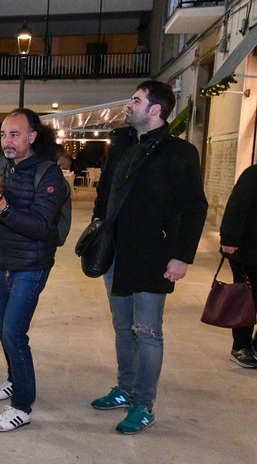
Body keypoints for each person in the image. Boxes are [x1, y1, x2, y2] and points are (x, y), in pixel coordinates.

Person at [90, 81, 208, 434]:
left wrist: (181, 257)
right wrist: (98, 226)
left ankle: (144, 403)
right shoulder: (123, 144)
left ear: (155, 109)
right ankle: (125, 389)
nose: (130, 105)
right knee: (122, 326)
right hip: (116, 253)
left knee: (148, 330)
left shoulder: (179, 153)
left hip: (154, 256)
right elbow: (105, 191)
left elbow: (194, 208)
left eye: (136, 100)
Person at [0, 108, 69, 432]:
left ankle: (23, 406)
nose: (7, 141)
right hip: (3, 262)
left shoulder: (48, 174)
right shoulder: (1, 165)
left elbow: (41, 226)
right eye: (3, 135)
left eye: (14, 135)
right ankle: (14, 379)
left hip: (32, 265)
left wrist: (5, 210)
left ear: (32, 137)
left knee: (14, 333)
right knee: (4, 330)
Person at [220, 165, 257, 367]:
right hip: (248, 253)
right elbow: (237, 206)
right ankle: (240, 347)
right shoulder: (253, 174)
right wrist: (230, 238)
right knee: (247, 299)